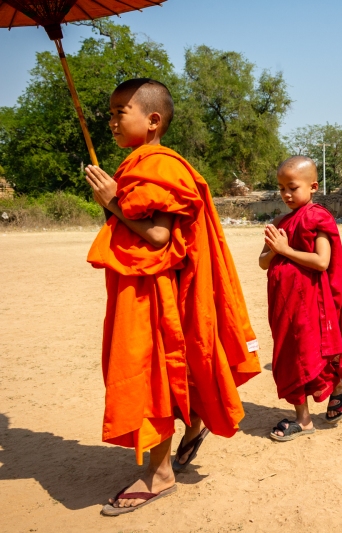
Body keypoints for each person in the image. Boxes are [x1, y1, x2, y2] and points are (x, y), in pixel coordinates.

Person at [84, 79, 261, 515]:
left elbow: (160, 236)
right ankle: (194, 422)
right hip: (152, 289)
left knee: (150, 372)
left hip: (155, 296)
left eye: (120, 111)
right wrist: (115, 199)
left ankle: (160, 475)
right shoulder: (139, 164)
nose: (111, 121)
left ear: (153, 120)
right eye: (110, 113)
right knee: (172, 367)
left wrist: (113, 202)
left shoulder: (160, 167)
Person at [259, 156, 342, 442]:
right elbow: (264, 262)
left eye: (292, 187)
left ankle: (330, 394)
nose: (286, 195)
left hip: (309, 305)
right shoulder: (280, 221)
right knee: (287, 356)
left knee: (309, 354)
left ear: (313, 186)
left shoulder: (318, 217)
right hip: (281, 304)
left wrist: (285, 250)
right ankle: (304, 417)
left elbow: (322, 261)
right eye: (281, 189)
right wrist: (275, 249)